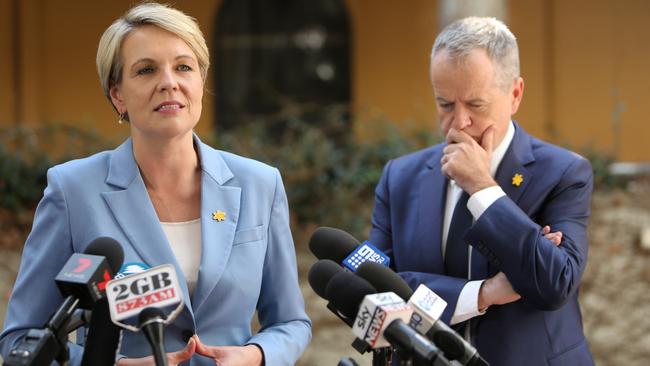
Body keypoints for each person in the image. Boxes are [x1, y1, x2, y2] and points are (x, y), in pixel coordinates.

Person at [0, 3, 311, 365]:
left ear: (201, 81)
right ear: (117, 94)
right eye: (146, 70)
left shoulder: (260, 183)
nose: (169, 82)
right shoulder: (72, 190)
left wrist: (256, 355)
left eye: (183, 67)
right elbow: (21, 338)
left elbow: (291, 322)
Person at [369, 17, 594, 365]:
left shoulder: (563, 173)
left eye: (475, 105)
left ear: (515, 94)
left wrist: (482, 188)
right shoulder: (400, 176)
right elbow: (374, 287)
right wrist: (481, 294)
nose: (459, 122)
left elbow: (555, 284)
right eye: (445, 104)